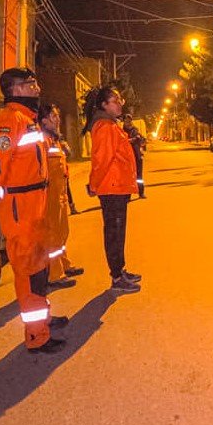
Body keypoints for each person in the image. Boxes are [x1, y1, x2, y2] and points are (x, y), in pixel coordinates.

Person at [0, 68, 67, 353]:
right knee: (29, 272)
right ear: (16, 89)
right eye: (31, 84)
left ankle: (44, 319)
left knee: (40, 269)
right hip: (20, 209)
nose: (37, 87)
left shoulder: (27, 120)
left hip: (35, 205)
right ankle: (36, 336)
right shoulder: (9, 120)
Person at [82, 86, 143, 293]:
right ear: (103, 105)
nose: (120, 103)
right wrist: (93, 184)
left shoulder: (111, 125)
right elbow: (101, 160)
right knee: (114, 233)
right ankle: (117, 277)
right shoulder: (105, 127)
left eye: (120, 99)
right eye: (115, 100)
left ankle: (120, 270)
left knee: (118, 232)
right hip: (112, 188)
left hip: (118, 187)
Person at [39, 103, 85, 289]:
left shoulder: (55, 140)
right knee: (52, 235)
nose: (57, 119)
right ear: (43, 120)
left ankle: (64, 264)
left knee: (62, 232)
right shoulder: (42, 140)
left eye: (57, 115)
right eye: (53, 116)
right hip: (49, 195)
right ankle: (55, 274)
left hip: (60, 194)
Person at [123, 114, 147, 199]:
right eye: (126, 120)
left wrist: (132, 140)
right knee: (128, 176)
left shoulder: (135, 130)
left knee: (139, 177)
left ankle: (141, 193)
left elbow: (140, 138)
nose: (128, 122)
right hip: (126, 157)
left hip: (137, 156)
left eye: (129, 120)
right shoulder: (121, 131)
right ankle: (127, 195)